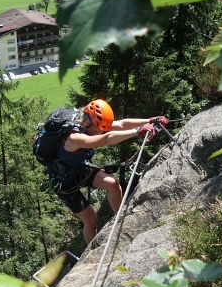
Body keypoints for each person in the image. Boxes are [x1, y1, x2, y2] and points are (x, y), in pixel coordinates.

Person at [50, 99, 168, 244]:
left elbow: (121, 124)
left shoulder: (91, 123)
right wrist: (136, 132)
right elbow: (105, 139)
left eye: (101, 128)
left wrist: (151, 120)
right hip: (64, 182)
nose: (101, 131)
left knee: (112, 183)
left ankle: (120, 222)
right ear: (87, 123)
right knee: (91, 220)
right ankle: (91, 250)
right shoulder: (74, 138)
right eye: (98, 129)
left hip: (79, 168)